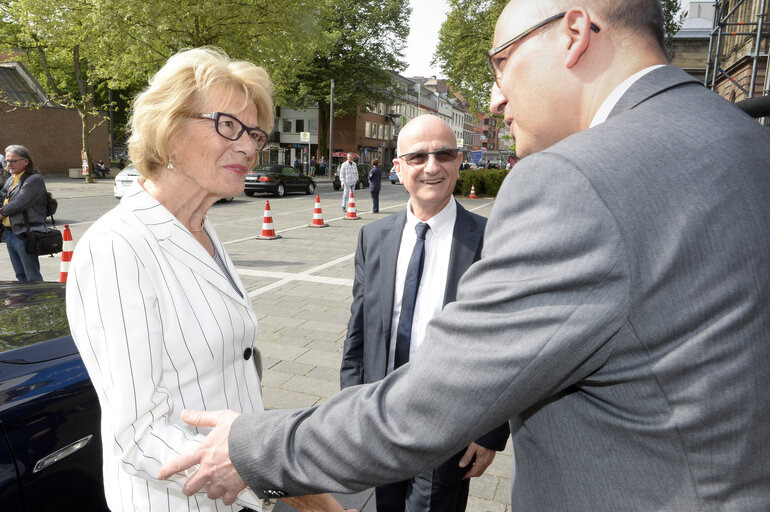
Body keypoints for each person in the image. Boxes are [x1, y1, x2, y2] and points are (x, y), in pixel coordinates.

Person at [159, 1, 770, 510]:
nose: (498, 98)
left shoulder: (574, 179)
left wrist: (254, 446)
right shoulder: (740, 139)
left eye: (501, 65)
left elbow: (426, 408)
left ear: (576, 33)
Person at [65, 47, 346, 512]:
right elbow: (139, 433)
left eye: (254, 131)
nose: (250, 146)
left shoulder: (200, 225)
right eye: (228, 126)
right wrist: (295, 491)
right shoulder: (120, 246)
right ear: (169, 128)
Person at [340, 116, 509, 512]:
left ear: (459, 160)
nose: (431, 167)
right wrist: (350, 409)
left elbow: (507, 346)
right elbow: (358, 331)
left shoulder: (493, 239)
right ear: (398, 168)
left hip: (452, 427)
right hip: (381, 418)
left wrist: (490, 431)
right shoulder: (373, 237)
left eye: (443, 154)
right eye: (417, 157)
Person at [0, 145, 47, 281]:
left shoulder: (34, 179)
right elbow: (2, 197)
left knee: (31, 276)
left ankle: (37, 301)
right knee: (20, 275)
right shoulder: (11, 179)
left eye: (13, 161)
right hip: (9, 233)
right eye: (7, 161)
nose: (9, 164)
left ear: (26, 161)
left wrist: (2, 214)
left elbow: (20, 202)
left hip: (24, 234)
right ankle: (26, 301)